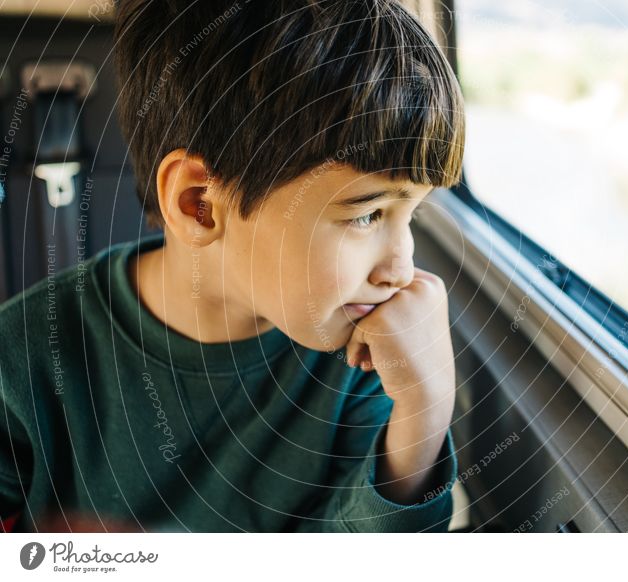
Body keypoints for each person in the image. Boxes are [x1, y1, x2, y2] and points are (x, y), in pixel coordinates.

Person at [0, 0, 465, 532]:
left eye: (412, 213)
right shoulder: (25, 357)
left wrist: (424, 413)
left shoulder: (368, 359)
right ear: (198, 204)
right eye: (367, 215)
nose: (401, 271)